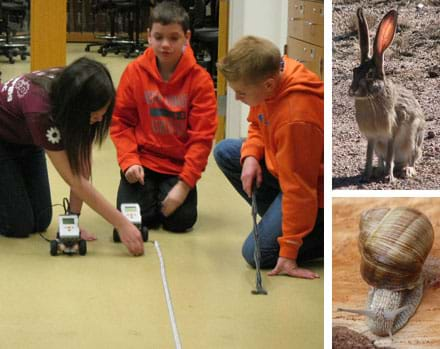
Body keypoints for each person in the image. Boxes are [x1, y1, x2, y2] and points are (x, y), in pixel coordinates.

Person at [0, 57, 144, 256]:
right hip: (4, 139)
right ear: (78, 108)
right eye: (95, 115)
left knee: (41, 221)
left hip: (26, 139)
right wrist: (122, 224)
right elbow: (75, 180)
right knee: (18, 226)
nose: (101, 119)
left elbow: (81, 167)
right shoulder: (41, 111)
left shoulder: (76, 89)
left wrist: (72, 222)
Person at [214, 36, 324, 279]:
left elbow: (300, 190)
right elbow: (258, 123)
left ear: (268, 85)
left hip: (315, 197)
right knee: (227, 151)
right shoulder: (273, 77)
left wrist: (288, 253)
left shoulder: (296, 119)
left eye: (241, 92)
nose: (236, 98)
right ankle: (284, 223)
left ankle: (316, 234)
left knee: (256, 253)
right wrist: (251, 155)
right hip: (286, 173)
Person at [110, 1, 217, 232]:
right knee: (136, 219)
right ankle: (151, 195)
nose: (165, 44)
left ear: (187, 37)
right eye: (158, 37)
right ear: (148, 36)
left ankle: (168, 194)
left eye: (174, 38)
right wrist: (129, 161)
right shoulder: (134, 72)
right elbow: (121, 123)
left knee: (180, 221)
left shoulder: (200, 80)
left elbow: (202, 137)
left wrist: (185, 184)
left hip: (177, 166)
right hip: (142, 163)